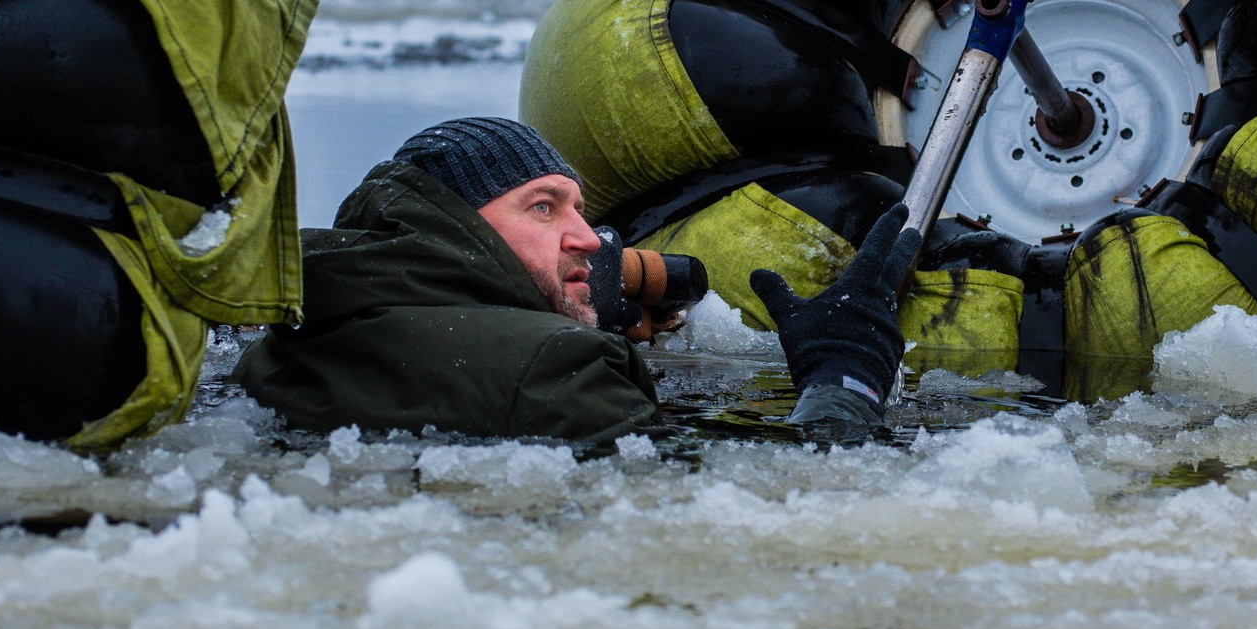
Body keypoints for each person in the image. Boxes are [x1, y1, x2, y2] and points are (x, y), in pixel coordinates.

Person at [233, 117, 919, 444]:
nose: (589, 238)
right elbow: (771, 508)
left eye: (580, 209)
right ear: (454, 224)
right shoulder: (560, 366)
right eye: (542, 206)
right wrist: (842, 383)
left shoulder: (293, 330)